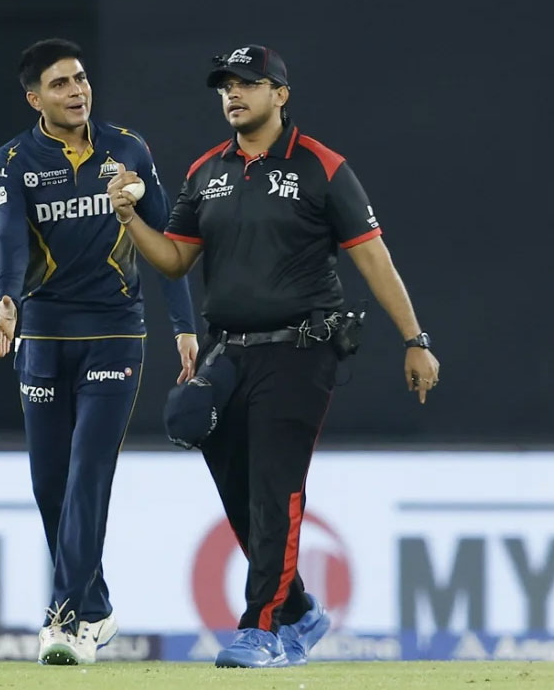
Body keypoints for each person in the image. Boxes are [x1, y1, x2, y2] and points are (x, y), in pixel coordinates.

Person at [106, 45, 441, 669]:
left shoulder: (321, 166)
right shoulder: (207, 170)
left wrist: (414, 339)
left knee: (274, 488)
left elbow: (374, 259)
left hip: (300, 349)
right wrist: (129, 218)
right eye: (225, 86)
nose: (233, 94)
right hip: (228, 350)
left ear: (280, 94)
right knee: (233, 482)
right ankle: (299, 609)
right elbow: (175, 260)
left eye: (247, 83)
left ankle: (260, 629)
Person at [0, 38, 199, 665]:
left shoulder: (127, 149)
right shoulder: (10, 161)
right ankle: (98, 607)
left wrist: (184, 324)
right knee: (49, 483)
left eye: (80, 79)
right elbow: (8, 239)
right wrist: (6, 301)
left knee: (87, 471)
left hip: (115, 332)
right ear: (35, 99)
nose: (77, 91)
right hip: (43, 335)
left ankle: (67, 617)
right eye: (60, 84)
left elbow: (169, 239)